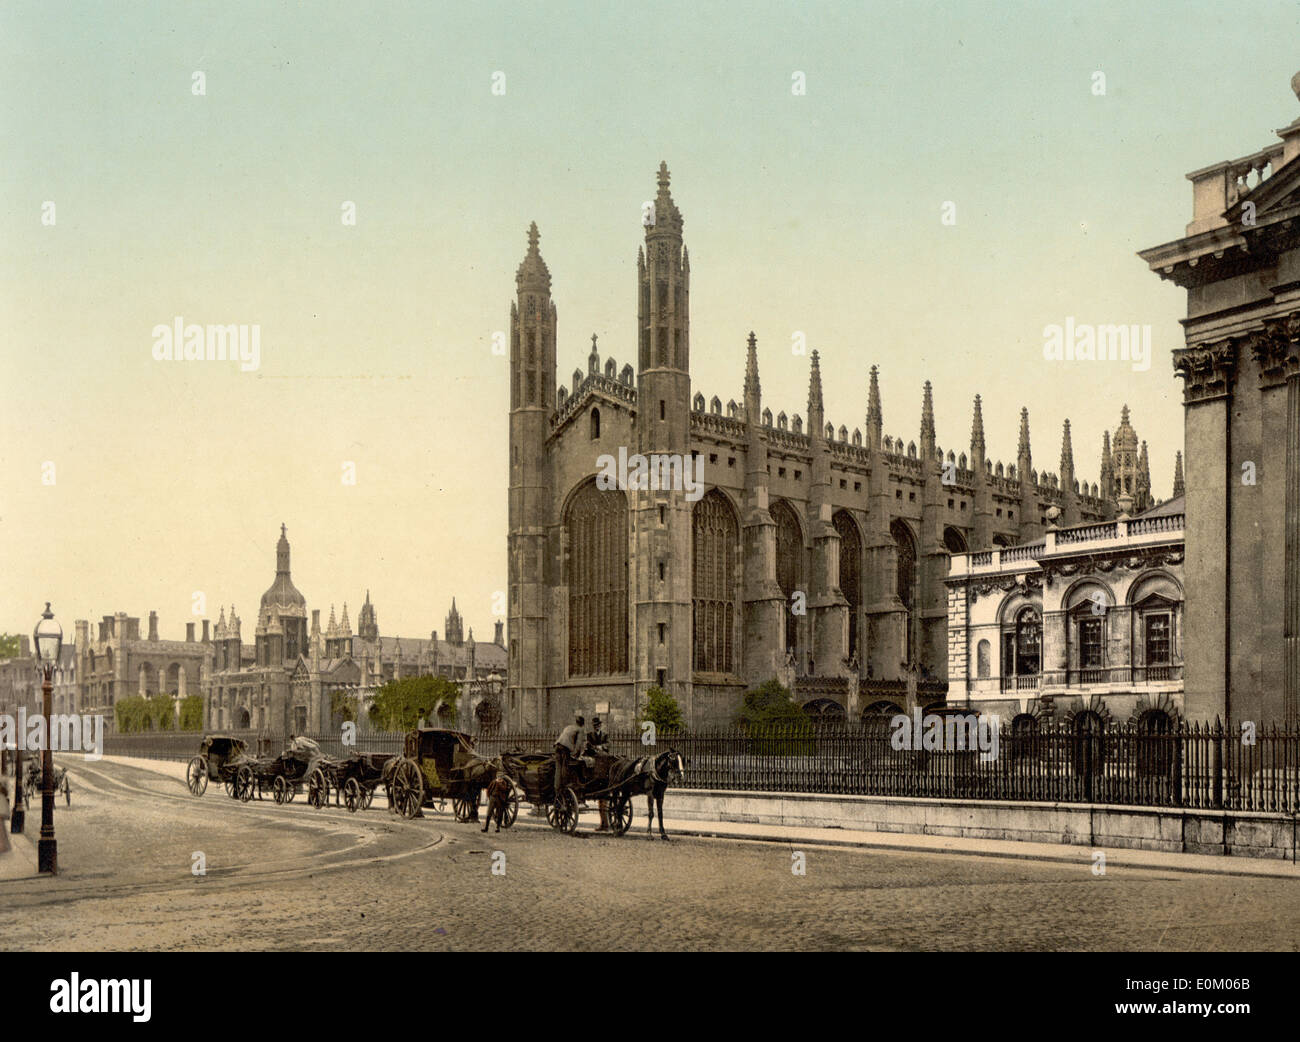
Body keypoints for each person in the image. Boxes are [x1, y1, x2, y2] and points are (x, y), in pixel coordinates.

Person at [553, 714, 586, 804]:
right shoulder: (580, 729)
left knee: (558, 768)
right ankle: (564, 786)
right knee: (565, 767)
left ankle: (557, 787)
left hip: (557, 746)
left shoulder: (569, 727)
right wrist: (576, 755)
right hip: (565, 749)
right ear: (582, 724)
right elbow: (578, 745)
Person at [587, 716, 611, 831]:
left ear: (600, 726)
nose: (597, 727)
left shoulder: (605, 735)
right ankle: (604, 823)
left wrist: (601, 747)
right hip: (594, 758)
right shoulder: (590, 735)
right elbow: (588, 746)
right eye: (595, 725)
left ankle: (605, 824)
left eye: (598, 725)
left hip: (603, 759)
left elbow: (608, 745)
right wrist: (594, 749)